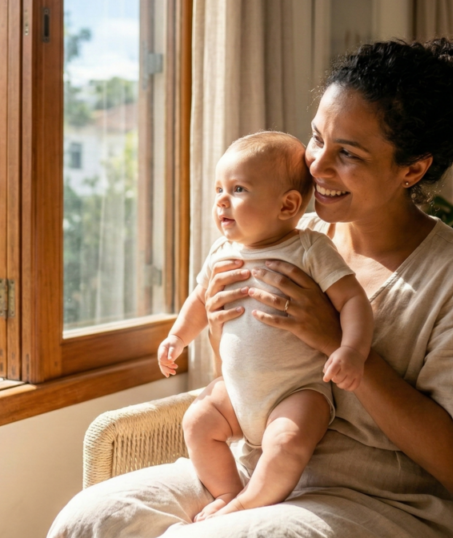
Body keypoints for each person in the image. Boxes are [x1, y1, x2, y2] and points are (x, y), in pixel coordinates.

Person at [48, 38, 453, 538]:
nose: (317, 166)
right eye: (318, 138)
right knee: (89, 519)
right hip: (250, 469)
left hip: (382, 501)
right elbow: (246, 370)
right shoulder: (285, 237)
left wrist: (332, 338)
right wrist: (213, 320)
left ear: (413, 169)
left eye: (349, 154)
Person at [157, 130, 373, 522]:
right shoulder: (222, 252)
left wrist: (352, 350)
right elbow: (199, 301)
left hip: (298, 390)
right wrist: (177, 337)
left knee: (287, 442)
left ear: (288, 204)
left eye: (238, 189)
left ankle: (250, 502)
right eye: (219, 188)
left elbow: (353, 300)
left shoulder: (309, 249)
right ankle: (227, 492)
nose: (221, 199)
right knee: (198, 420)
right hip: (237, 391)